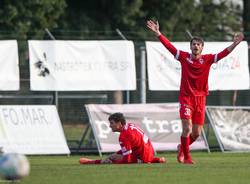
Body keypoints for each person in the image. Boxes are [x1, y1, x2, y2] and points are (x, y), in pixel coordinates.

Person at [146, 20, 244, 164]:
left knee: (197, 133)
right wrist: (158, 34)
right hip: (186, 98)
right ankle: (187, 157)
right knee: (187, 128)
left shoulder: (208, 59)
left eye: (198, 44)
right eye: (193, 44)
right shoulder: (184, 57)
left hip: (201, 99)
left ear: (202, 47)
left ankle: (182, 148)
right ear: (191, 47)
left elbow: (223, 53)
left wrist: (235, 44)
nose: (195, 46)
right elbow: (169, 47)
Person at [79, 112, 166, 164]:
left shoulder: (123, 136)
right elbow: (130, 148)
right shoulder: (130, 126)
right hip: (150, 153)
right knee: (114, 155)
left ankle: (93, 162)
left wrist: (111, 162)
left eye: (112, 123)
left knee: (113, 158)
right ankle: (156, 160)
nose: (110, 126)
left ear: (119, 123)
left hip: (143, 157)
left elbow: (127, 160)